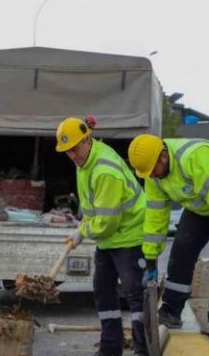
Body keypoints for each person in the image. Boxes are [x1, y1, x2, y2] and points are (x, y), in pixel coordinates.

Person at [127, 135, 209, 337]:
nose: (150, 175)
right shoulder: (153, 176)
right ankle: (171, 311)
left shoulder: (194, 158)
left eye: (152, 170)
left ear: (162, 156)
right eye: (146, 173)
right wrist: (150, 260)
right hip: (201, 204)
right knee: (182, 249)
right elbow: (155, 218)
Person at [58, 117, 148, 356]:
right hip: (109, 239)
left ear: (86, 140)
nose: (72, 155)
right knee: (103, 289)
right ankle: (110, 348)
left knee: (134, 293)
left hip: (130, 236)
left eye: (74, 149)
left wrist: (83, 232)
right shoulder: (85, 162)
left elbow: (107, 222)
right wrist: (80, 230)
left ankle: (143, 349)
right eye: (67, 151)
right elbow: (94, 208)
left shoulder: (104, 170)